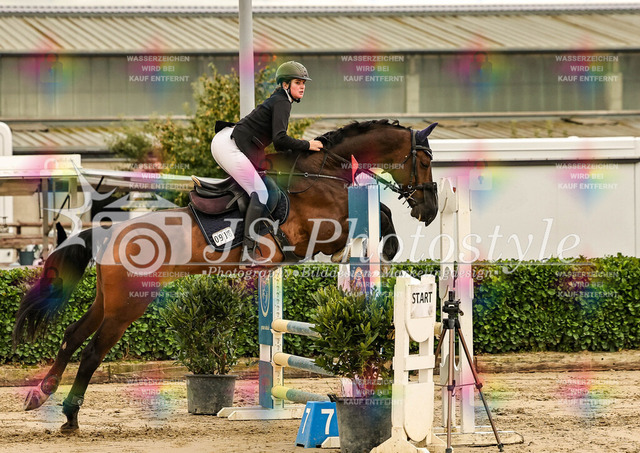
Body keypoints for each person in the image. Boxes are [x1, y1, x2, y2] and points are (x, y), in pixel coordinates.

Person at [211, 61, 323, 260]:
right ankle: (248, 251)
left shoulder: (280, 99)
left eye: (303, 83)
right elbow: (280, 140)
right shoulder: (282, 102)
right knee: (261, 193)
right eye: (298, 82)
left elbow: (277, 143)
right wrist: (307, 145)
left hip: (228, 141)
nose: (302, 87)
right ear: (285, 84)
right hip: (229, 146)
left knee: (267, 187)